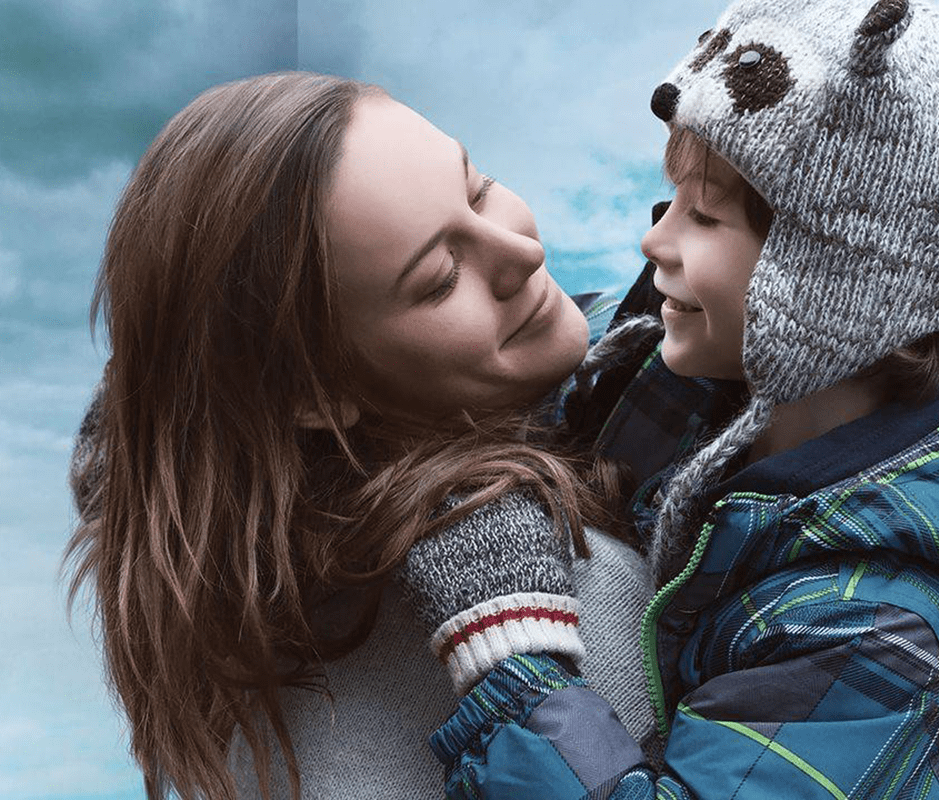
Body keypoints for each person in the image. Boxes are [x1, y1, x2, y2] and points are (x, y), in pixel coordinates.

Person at [408, 1, 939, 798]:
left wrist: (510, 651)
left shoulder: (877, 622)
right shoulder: (717, 382)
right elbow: (577, 348)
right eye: (671, 201)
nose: (654, 241)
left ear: (842, 282)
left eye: (703, 216)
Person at [65, 71, 658, 800]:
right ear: (317, 395)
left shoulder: (238, 654)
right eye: (440, 278)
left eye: (478, 189)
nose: (520, 253)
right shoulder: (555, 591)